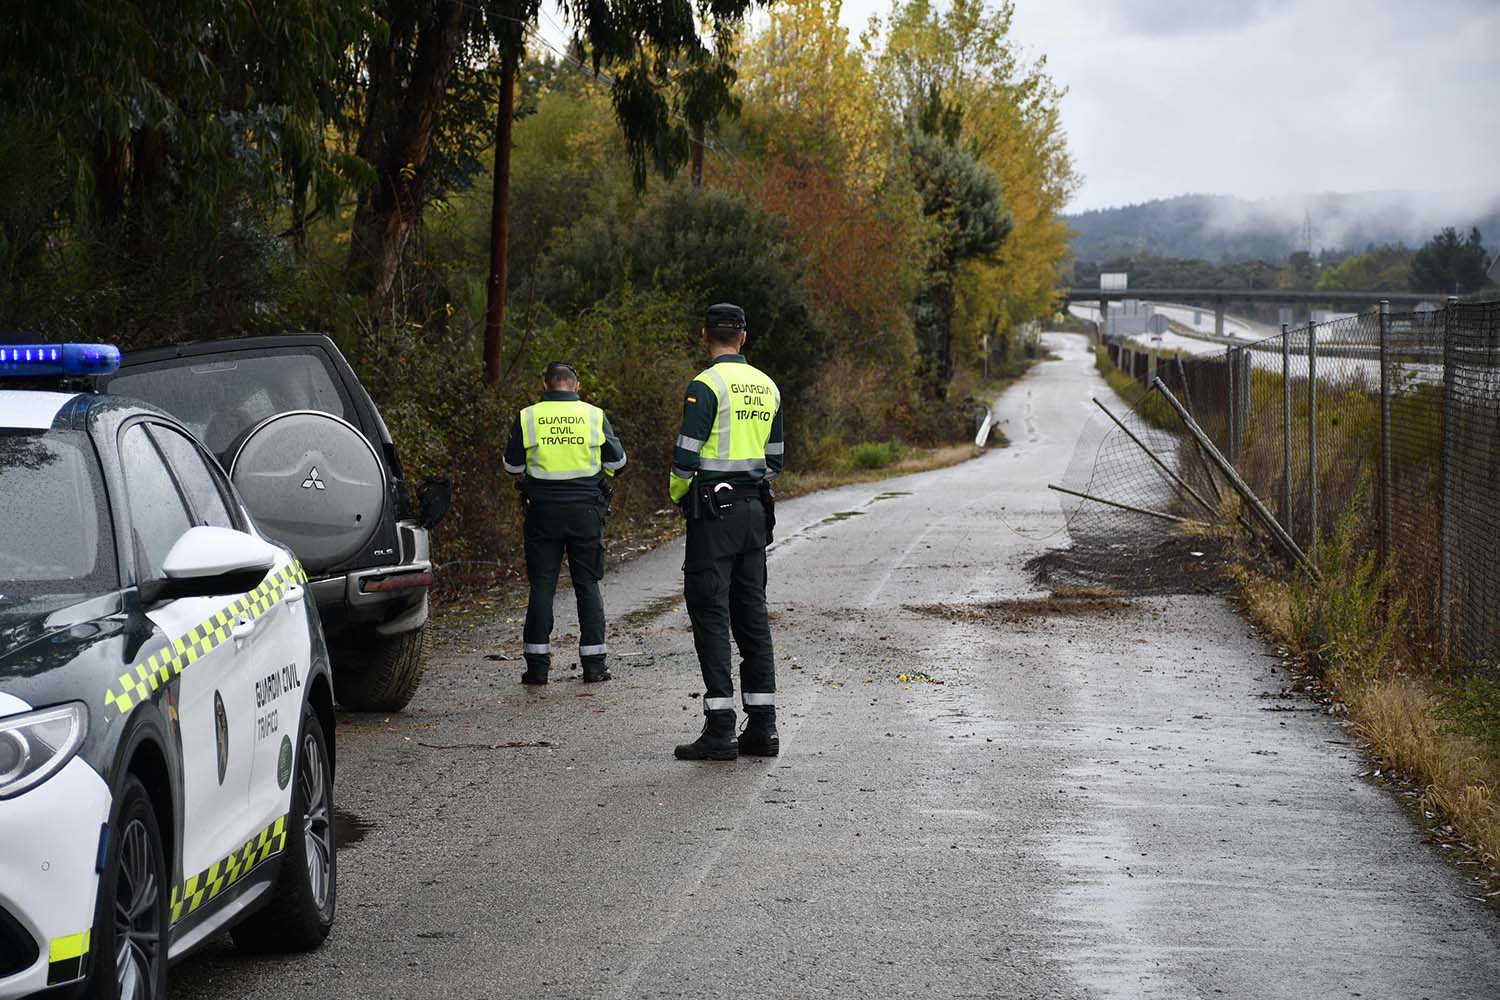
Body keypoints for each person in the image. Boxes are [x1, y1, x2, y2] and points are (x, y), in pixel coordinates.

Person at [670, 303, 784, 761]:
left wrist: (682, 495)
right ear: (744, 337)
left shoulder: (706, 385)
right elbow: (774, 459)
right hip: (755, 510)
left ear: (705, 336)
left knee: (710, 611)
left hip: (713, 514)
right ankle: (763, 728)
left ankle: (720, 729)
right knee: (752, 615)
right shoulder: (767, 385)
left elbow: (684, 457)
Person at [503, 361, 626, 685]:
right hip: (585, 512)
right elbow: (618, 462)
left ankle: (537, 668)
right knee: (587, 585)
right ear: (577, 385)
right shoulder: (593, 415)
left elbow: (512, 466)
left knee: (542, 587)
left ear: (545, 385)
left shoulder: (528, 416)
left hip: (542, 513)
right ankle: (595, 666)